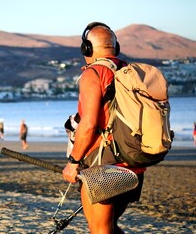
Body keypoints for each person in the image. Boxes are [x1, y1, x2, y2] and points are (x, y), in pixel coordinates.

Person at [62, 22, 146, 233]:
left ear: (87, 49)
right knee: (110, 227)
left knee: (100, 230)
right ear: (115, 47)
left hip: (103, 168)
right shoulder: (130, 72)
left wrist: (73, 163)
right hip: (134, 164)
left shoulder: (94, 74)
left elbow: (89, 124)